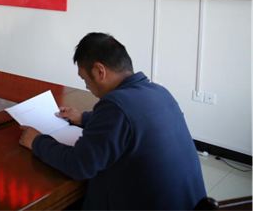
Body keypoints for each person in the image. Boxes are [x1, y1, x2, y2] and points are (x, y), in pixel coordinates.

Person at [18, 33, 206, 211]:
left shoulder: (115, 105)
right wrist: (83, 118)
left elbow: (79, 165)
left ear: (100, 71)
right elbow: (130, 122)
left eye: (84, 78)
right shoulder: (159, 92)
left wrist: (37, 141)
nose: (86, 86)